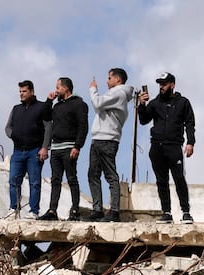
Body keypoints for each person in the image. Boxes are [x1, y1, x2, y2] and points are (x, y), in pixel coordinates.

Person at [138, 72, 195, 224]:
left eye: (164, 84)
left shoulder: (183, 102)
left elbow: (190, 123)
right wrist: (142, 105)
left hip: (174, 146)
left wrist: (190, 142)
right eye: (160, 84)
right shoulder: (155, 103)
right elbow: (143, 120)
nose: (161, 87)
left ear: (172, 85)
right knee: (161, 181)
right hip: (157, 147)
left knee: (179, 179)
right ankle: (167, 212)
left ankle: (186, 212)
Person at [86, 68, 134, 222]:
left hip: (108, 139)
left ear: (118, 80)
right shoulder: (116, 94)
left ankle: (114, 211)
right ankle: (97, 210)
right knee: (93, 175)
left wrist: (93, 89)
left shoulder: (118, 93)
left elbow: (97, 103)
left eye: (109, 78)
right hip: (99, 138)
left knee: (110, 175)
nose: (107, 81)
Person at [37, 77, 88, 221]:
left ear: (66, 88)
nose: (56, 90)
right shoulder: (57, 106)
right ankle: (52, 211)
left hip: (69, 147)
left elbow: (83, 127)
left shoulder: (79, 104)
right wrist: (49, 101)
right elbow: (46, 116)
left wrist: (77, 146)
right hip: (56, 148)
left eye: (58, 87)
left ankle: (75, 211)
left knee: (72, 179)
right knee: (55, 180)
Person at [5, 80, 51, 219]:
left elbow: (48, 127)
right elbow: (8, 127)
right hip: (18, 151)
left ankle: (34, 211)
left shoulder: (42, 107)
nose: (21, 94)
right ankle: (13, 209)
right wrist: (13, 135)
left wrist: (44, 147)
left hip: (35, 151)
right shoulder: (16, 109)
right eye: (20, 91)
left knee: (34, 182)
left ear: (32, 91)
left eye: (24, 91)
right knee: (13, 180)